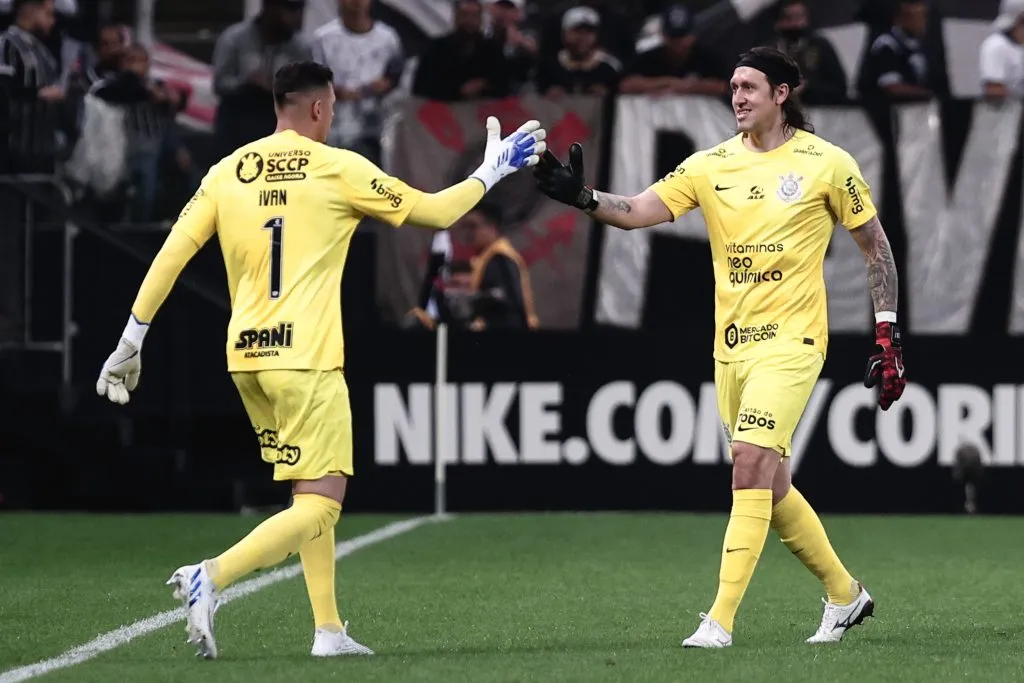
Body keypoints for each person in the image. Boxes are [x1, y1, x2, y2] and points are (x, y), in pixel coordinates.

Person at [94, 60, 546, 659]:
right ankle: (212, 575)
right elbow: (434, 213)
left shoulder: (228, 171)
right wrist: (491, 171)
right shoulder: (337, 168)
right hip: (306, 358)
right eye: (331, 107)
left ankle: (328, 631)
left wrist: (131, 340)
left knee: (307, 494)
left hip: (247, 360)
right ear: (316, 107)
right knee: (323, 501)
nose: (331, 116)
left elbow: (171, 255)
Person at [534, 45, 906, 648]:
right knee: (772, 486)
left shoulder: (827, 163)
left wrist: (886, 332)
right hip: (731, 348)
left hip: (794, 342)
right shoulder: (710, 165)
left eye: (749, 87)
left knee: (749, 463)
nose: (737, 97)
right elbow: (636, 211)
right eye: (733, 87)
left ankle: (719, 621)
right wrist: (584, 197)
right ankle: (846, 595)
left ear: (781, 94)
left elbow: (876, 246)